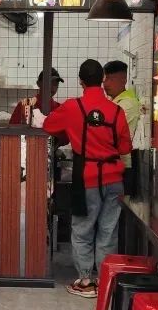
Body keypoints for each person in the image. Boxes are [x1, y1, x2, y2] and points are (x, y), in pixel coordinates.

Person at [40, 59, 132, 297]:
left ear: (81, 81)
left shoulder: (73, 107)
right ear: (102, 79)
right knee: (108, 231)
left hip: (87, 177)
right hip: (114, 179)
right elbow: (125, 147)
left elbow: (48, 125)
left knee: (83, 229)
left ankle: (85, 281)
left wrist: (73, 132)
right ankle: (105, 282)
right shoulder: (116, 111)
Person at [103, 60, 144, 195]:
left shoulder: (127, 104)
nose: (105, 84)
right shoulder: (114, 102)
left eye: (110, 79)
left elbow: (109, 133)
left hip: (122, 166)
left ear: (123, 80)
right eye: (105, 79)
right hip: (112, 165)